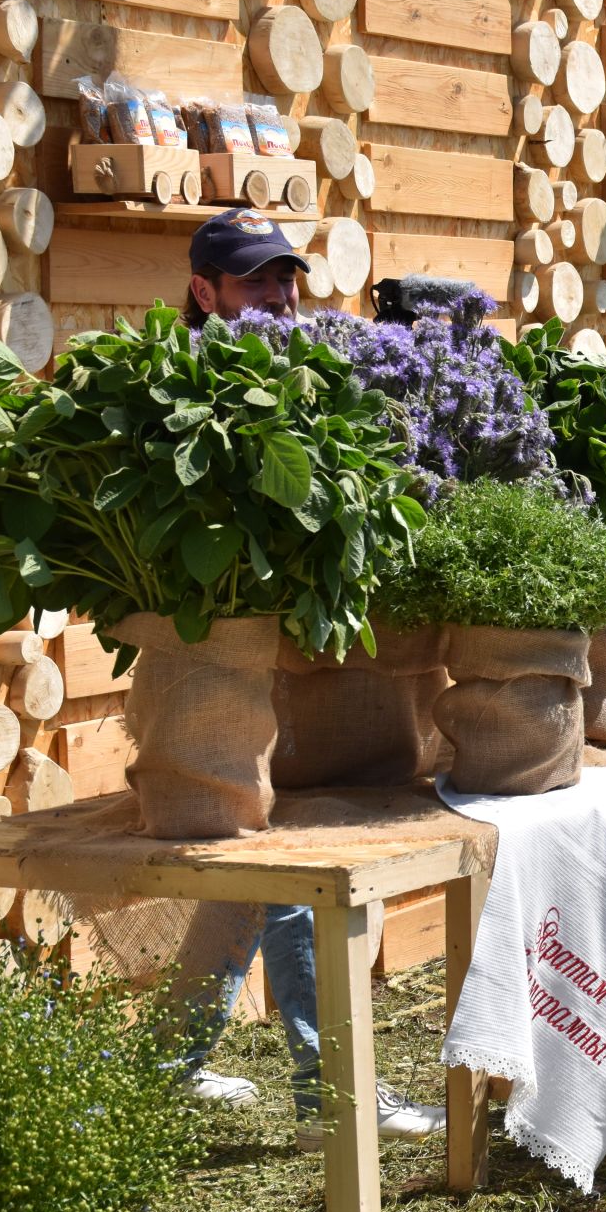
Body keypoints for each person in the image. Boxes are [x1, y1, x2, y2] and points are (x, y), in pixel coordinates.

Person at [172, 209, 446, 1152]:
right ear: (204, 291)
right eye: (255, 281)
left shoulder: (309, 374)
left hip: (309, 662)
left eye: (286, 277)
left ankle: (171, 1067)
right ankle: (335, 1092)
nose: (279, 297)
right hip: (235, 669)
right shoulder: (177, 394)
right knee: (284, 870)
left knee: (270, 872)